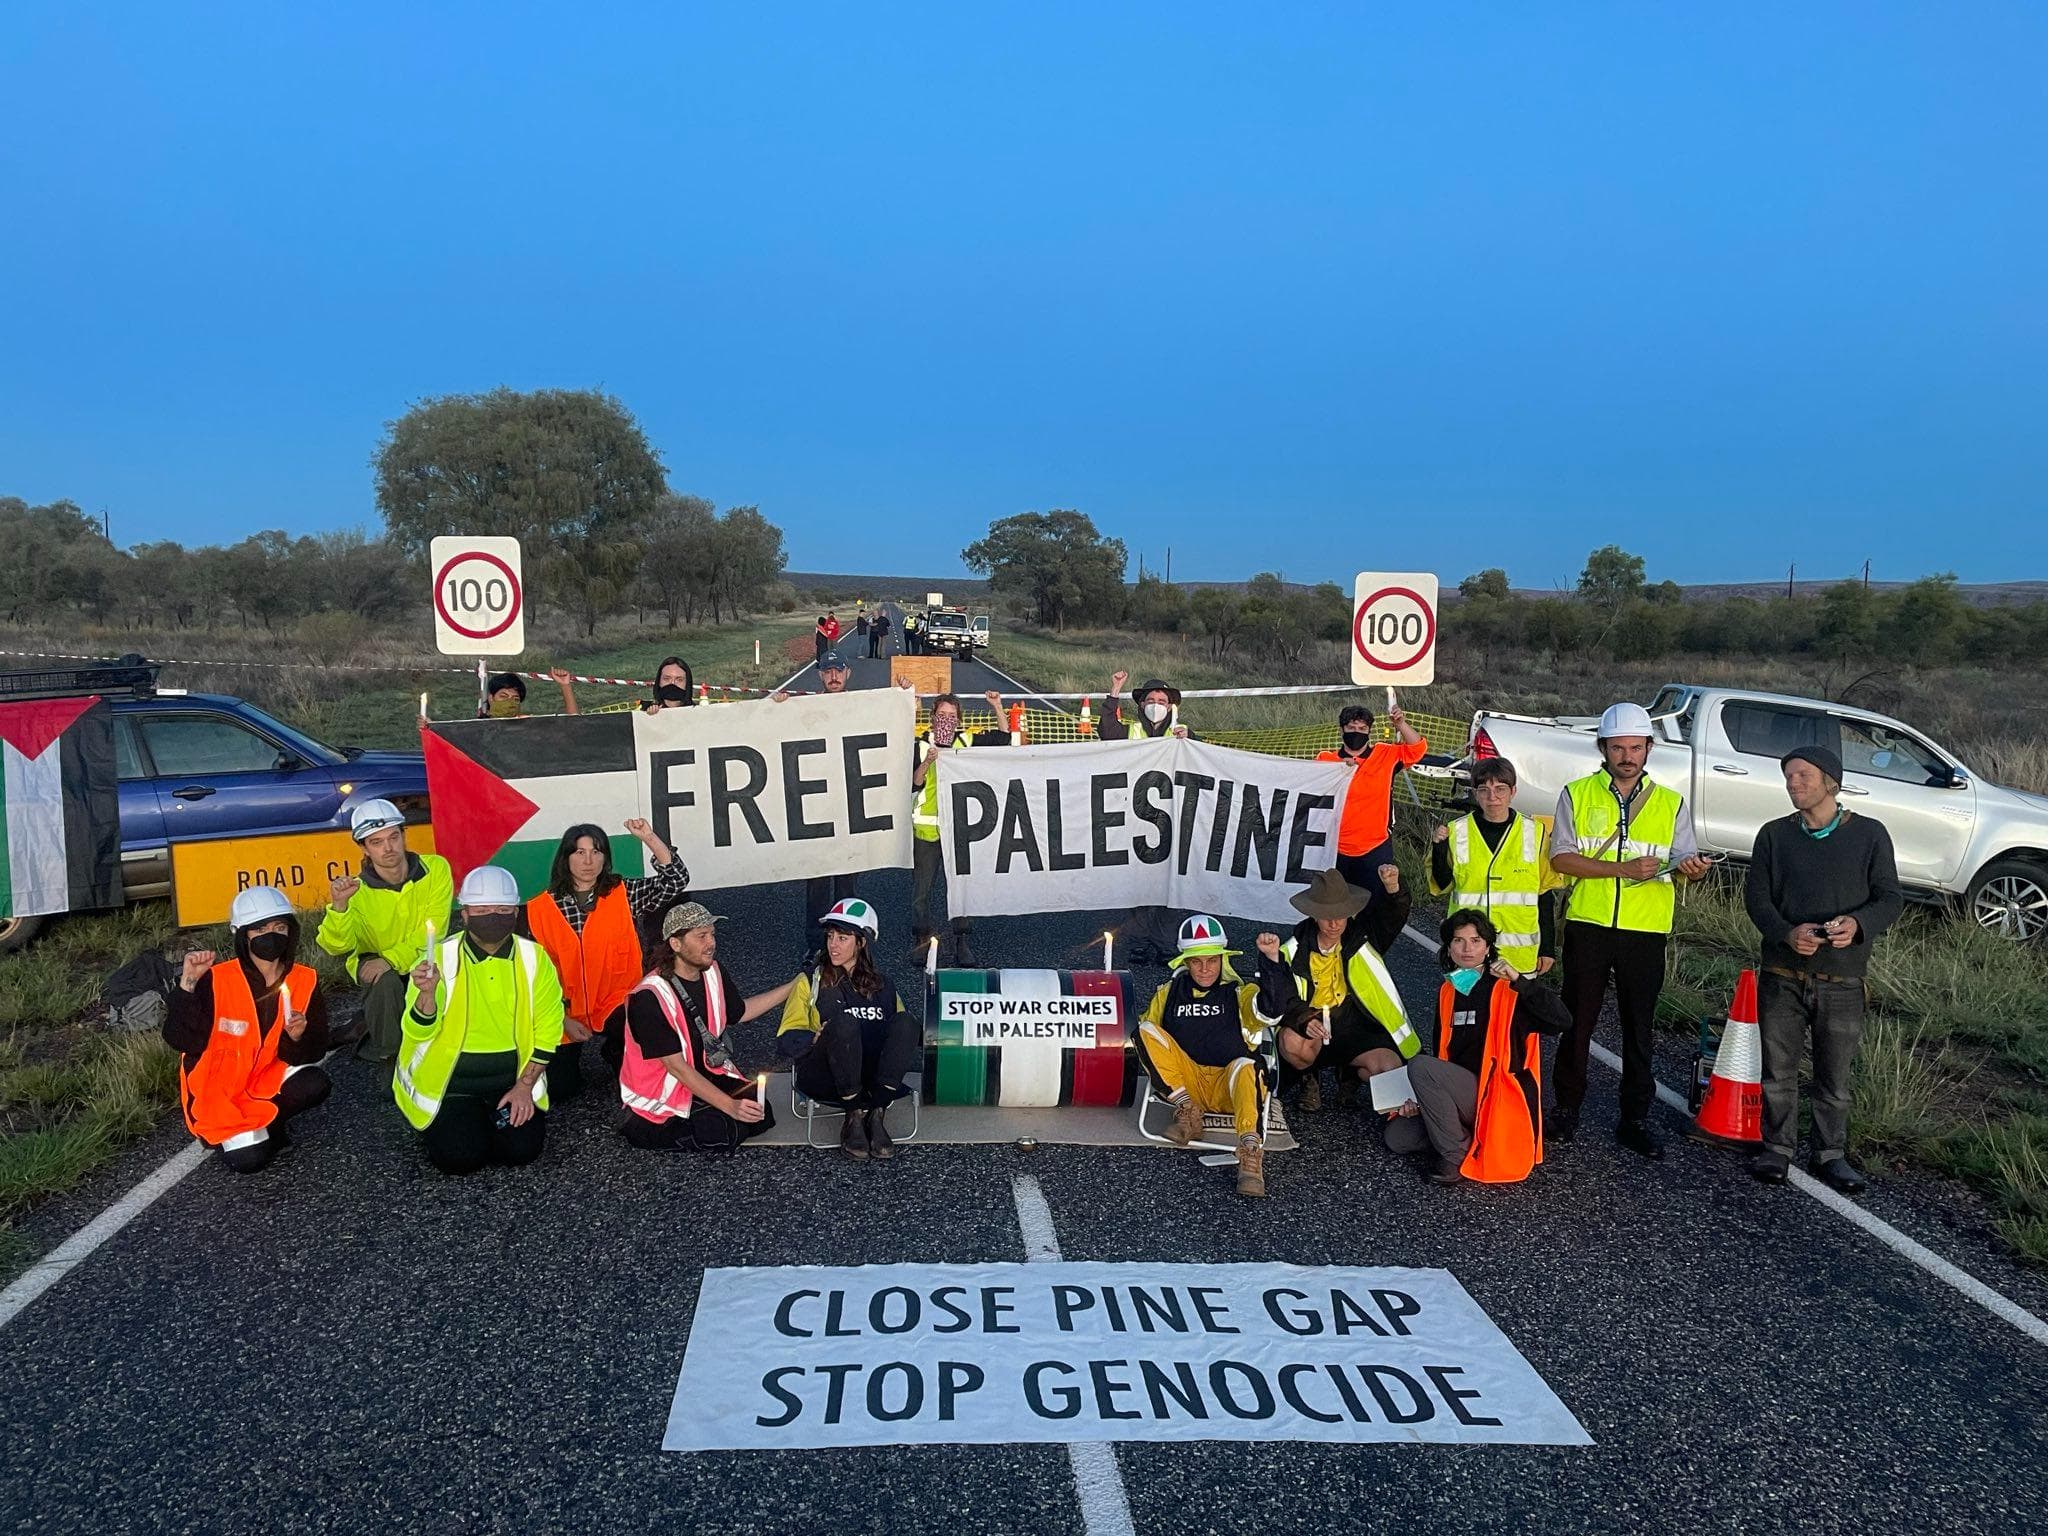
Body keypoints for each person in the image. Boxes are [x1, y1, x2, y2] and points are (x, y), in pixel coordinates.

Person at [1548, 702, 1714, 1159]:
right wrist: (1620, 868)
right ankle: (1566, 1112)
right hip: (1590, 924)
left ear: (1649, 749)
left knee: (1639, 1028)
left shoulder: (1670, 803)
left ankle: (1634, 1118)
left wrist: (1693, 869)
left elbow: (1684, 861)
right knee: (1577, 1023)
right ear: (1603, 747)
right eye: (1618, 747)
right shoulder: (1577, 794)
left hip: (1645, 931)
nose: (1627, 755)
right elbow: (1560, 858)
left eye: (1635, 747)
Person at [1743, 745, 1904, 1193]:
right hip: (1782, 974)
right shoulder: (1773, 835)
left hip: (1842, 977)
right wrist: (1785, 933)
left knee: (1833, 1075)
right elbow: (1757, 900)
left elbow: (1890, 897)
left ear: (1830, 781)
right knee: (1779, 1069)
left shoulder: (1870, 835)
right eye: (1789, 776)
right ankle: (1778, 1149)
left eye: (1803, 776)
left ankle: (1830, 1154)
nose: (1794, 784)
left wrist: (1858, 925)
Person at [395, 865, 565, 1175]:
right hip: (450, 1084)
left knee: (522, 1152)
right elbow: (416, 1032)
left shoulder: (534, 957)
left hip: (512, 1079)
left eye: (502, 909)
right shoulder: (436, 960)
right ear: (465, 913)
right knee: (460, 1161)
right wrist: (427, 995)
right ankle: (453, 1123)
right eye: (483, 909)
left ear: (515, 913)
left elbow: (549, 1026)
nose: (493, 916)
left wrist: (524, 1087)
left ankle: (483, 1120)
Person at [1385, 910, 1572, 1185]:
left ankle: (1456, 1154)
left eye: (1475, 940)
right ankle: (1469, 1137)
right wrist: (1421, 1099)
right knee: (1398, 1136)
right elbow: (1442, 1057)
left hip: (1496, 1095)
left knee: (1421, 1067)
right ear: (1449, 948)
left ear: (1488, 947)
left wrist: (1522, 981)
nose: (1467, 949)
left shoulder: (1508, 989)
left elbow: (1562, 1020)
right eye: (1458, 941)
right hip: (1464, 1095)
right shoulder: (1449, 991)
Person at [166, 887, 330, 1174]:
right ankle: (240, 1136)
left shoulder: (304, 979)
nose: (272, 935)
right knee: (251, 1161)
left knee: (316, 1082)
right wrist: (188, 985)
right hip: (217, 1096)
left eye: (280, 927)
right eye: (260, 929)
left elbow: (314, 1049)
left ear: (291, 931)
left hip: (263, 1081)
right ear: (242, 936)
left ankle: (266, 1124)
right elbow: (181, 1039)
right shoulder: (215, 979)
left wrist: (297, 1037)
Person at [524, 819, 690, 1098]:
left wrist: (649, 836)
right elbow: (531, 973)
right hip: (562, 1009)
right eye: (580, 852)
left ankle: (616, 1048)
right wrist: (562, 1018)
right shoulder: (537, 908)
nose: (589, 860)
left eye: (597, 852)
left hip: (617, 1003)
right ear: (565, 858)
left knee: (638, 1079)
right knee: (561, 1091)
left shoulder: (624, 893)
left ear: (605, 858)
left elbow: (676, 880)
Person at [617, 902, 794, 1151]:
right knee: (724, 1130)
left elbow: (739, 1012)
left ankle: (710, 1111)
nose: (711, 942)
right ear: (675, 944)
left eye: (712, 934)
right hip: (661, 1095)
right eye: (701, 936)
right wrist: (728, 1104)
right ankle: (655, 1127)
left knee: (760, 1110)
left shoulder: (712, 971)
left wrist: (793, 987)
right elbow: (676, 1068)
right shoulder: (648, 997)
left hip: (704, 1072)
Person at [1254, 863, 1420, 1113]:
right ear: (1314, 915)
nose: (1334, 923)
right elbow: (1280, 996)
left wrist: (1393, 888)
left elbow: (1391, 918)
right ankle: (1309, 1076)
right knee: (1291, 1043)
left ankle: (1351, 1073)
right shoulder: (1292, 949)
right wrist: (1303, 1020)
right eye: (1327, 916)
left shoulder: (1364, 937)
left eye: (1340, 914)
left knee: (1390, 1070)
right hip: (1313, 1024)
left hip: (1355, 1026)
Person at [1138, 914, 1280, 1197]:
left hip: (1230, 1087)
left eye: (1212, 960)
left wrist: (1272, 960)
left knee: (1247, 1065)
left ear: (1222, 960)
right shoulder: (1168, 993)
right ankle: (1188, 1114)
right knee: (1144, 1030)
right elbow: (1151, 1041)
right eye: (1196, 961)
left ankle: (1250, 1154)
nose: (1204, 969)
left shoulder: (1240, 993)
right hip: (1186, 1087)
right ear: (1185, 962)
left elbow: (1271, 1010)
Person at [777, 898, 920, 1160]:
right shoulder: (810, 981)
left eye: (843, 938)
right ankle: (854, 1116)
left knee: (907, 1021)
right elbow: (786, 1039)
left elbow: (903, 1035)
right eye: (831, 936)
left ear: (861, 942)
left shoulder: (884, 985)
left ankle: (877, 1113)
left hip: (870, 1079)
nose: (833, 944)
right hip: (826, 1076)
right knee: (844, 1022)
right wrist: (813, 1037)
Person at [317, 798, 454, 1063]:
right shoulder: (354, 891)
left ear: (404, 835)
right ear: (363, 848)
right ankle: (391, 1057)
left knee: (449, 968)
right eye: (376, 842)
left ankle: (380, 1026)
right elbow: (336, 947)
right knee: (386, 982)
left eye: (393, 837)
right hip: (375, 963)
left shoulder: (435, 869)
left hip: (418, 954)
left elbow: (435, 930)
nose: (388, 848)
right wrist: (340, 907)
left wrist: (390, 959)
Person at [910, 689, 1017, 968]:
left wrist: (997, 705)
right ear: (932, 718)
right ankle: (921, 940)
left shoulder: (966, 742)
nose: (946, 720)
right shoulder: (921, 744)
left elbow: (1003, 739)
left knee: (960, 889)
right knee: (922, 892)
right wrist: (928, 761)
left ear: (959, 721)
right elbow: (915, 782)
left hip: (960, 831)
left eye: (952, 716)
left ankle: (961, 942)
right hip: (928, 830)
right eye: (942, 715)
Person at [1429, 756, 1560, 977]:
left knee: (1514, 1011)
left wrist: (1547, 947)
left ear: (1513, 791)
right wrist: (1439, 849)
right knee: (1464, 1010)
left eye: (1500, 789)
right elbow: (1442, 883)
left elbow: (1544, 894)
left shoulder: (1535, 833)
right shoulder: (1457, 831)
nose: (1493, 797)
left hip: (1518, 955)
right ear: (1475, 792)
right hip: (1468, 953)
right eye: (1483, 790)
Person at [1098, 670, 1192, 965]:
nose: (1156, 704)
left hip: (1173, 821)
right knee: (1141, 887)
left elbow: (1205, 761)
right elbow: (1107, 730)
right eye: (1150, 700)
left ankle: (1165, 943)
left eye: (1161, 700)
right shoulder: (1132, 733)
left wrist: (1191, 740)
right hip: (1137, 820)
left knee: (1171, 887)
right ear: (1141, 706)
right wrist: (1114, 691)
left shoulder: (1183, 733)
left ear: (1171, 706)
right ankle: (1138, 942)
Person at [774, 652, 861, 951]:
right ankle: (816, 944)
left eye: (839, 670)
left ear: (848, 673)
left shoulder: (866, 708)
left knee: (847, 879)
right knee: (818, 881)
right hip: (816, 805)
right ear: (820, 676)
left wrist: (904, 696)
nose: (833, 676)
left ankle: (848, 940)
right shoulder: (805, 708)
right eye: (827, 671)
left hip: (850, 805)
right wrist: (779, 711)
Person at [1318, 701, 1427, 896]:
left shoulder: (1386, 754)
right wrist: (1338, 768)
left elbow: (1417, 749)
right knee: (1333, 905)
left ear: (1369, 731)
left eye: (1362, 728)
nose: (1356, 732)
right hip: (1333, 847)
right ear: (1341, 730)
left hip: (1375, 847)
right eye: (1351, 728)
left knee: (1374, 904)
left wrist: (1401, 724)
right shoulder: (1326, 760)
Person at [480, 667, 579, 718]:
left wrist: (565, 686)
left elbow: (572, 725)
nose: (509, 702)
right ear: (491, 698)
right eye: (503, 696)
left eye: (516, 699)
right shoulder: (477, 728)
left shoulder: (526, 724)